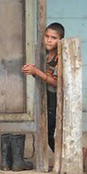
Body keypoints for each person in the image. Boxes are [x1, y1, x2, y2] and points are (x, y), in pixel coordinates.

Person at [22, 22, 65, 152]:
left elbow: (58, 83)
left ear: (60, 40)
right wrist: (32, 71)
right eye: (47, 36)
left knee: (50, 131)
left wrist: (37, 72)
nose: (49, 40)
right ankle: (63, 156)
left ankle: (66, 156)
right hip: (46, 97)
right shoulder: (44, 54)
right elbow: (42, 77)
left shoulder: (61, 57)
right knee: (46, 130)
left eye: (54, 38)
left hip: (57, 99)